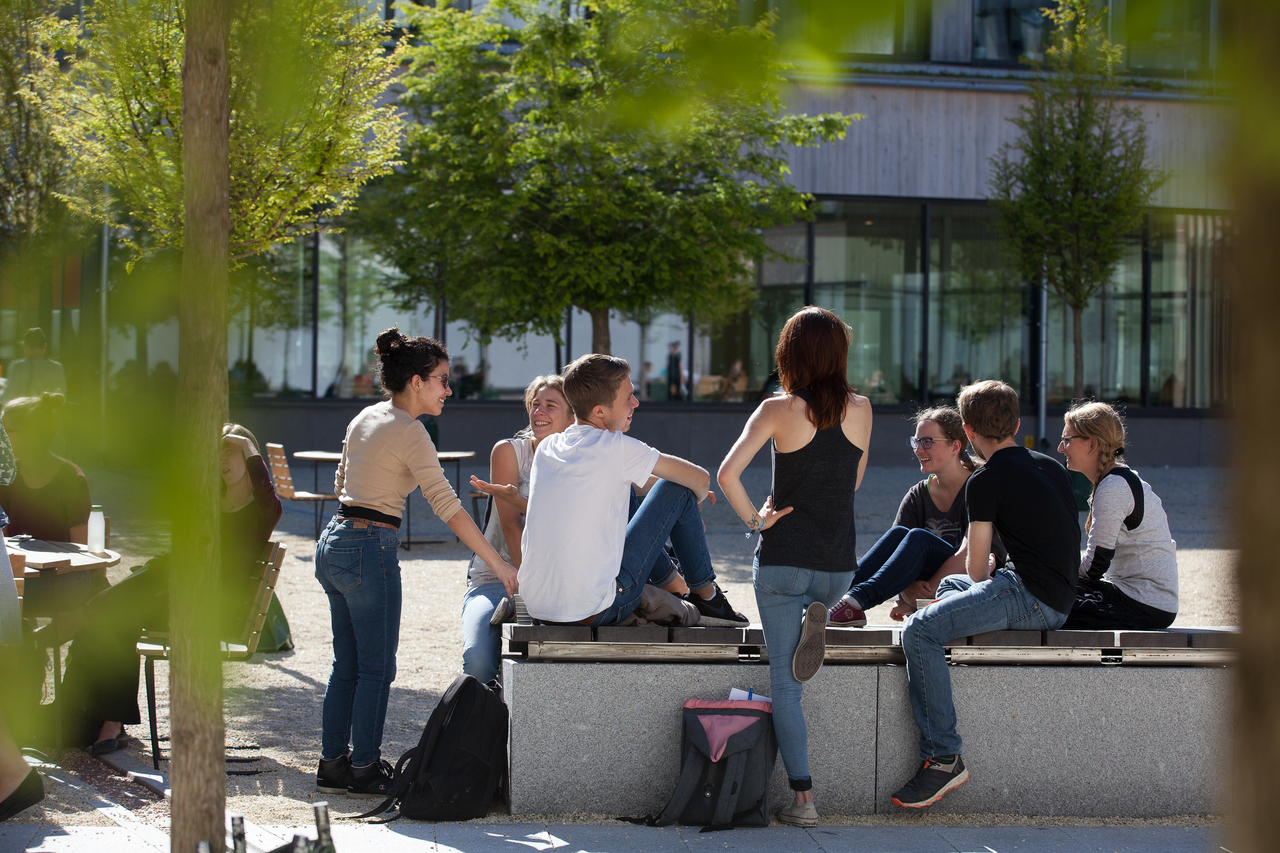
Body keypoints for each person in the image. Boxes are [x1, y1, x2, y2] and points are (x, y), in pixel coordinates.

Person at [314, 328, 518, 799]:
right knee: (376, 668)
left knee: (346, 663)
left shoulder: (367, 416)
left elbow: (344, 479)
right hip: (370, 546)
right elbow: (448, 507)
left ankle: (332, 763)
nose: (449, 389)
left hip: (335, 540)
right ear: (415, 382)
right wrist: (501, 566)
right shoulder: (411, 431)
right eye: (442, 380)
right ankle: (363, 766)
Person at [717, 306, 872, 827]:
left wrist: (756, 521)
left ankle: (803, 800)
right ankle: (820, 611)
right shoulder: (863, 408)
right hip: (838, 565)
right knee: (818, 600)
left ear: (790, 355)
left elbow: (727, 474)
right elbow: (850, 483)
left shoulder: (777, 409)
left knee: (786, 684)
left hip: (784, 559)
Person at [892, 380, 1080, 809]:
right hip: (1057, 594)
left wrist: (986, 580)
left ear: (969, 433)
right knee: (947, 587)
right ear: (1016, 423)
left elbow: (977, 569)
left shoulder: (985, 481)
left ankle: (942, 757)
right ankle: (944, 608)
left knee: (919, 631)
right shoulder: (1050, 466)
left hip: (1030, 596)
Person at [52, 424, 283, 753]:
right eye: (217, 450)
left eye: (231, 450)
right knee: (100, 611)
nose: (223, 458)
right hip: (172, 585)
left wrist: (244, 441)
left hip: (209, 607)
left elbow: (264, 489)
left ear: (249, 456)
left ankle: (102, 724)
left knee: (112, 616)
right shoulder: (208, 500)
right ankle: (86, 721)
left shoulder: (263, 509)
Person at [516, 353, 747, 630]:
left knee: (626, 492)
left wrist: (676, 508)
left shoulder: (547, 448)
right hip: (595, 610)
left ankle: (674, 585)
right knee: (676, 487)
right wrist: (690, 500)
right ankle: (707, 597)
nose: (635, 403)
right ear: (599, 411)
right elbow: (700, 478)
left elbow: (634, 482)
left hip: (539, 607)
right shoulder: (616, 447)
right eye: (628, 398)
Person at [828, 406, 1005, 627]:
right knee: (899, 534)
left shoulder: (979, 487)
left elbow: (970, 556)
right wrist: (908, 590)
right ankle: (834, 601)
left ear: (955, 446)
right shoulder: (918, 494)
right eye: (916, 441)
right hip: (932, 584)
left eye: (928, 442)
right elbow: (897, 555)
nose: (919, 449)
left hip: (977, 582)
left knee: (919, 538)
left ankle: (855, 602)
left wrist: (917, 601)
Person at [462, 375, 574, 683]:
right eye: (535, 405)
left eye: (551, 406)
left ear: (573, 415)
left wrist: (688, 493)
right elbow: (512, 528)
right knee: (478, 664)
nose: (539, 412)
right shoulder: (510, 452)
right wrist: (530, 598)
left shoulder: (581, 461)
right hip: (498, 578)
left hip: (559, 584)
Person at [1059, 402, 1178, 629]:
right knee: (1044, 592)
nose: (1060, 448)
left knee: (1045, 601)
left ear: (1091, 443)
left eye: (1067, 440)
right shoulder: (1115, 480)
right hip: (1138, 598)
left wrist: (1058, 573)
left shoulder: (1114, 487)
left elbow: (1095, 567)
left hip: (1144, 604)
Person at [0, 394, 90, 543]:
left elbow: (81, 548)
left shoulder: (71, 479)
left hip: (63, 565)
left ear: (30, 434)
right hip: (18, 565)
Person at [0, 328, 65, 406]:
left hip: (25, 415)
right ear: (45, 348)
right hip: (50, 416)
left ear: (25, 347)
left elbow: (7, 397)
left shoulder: (18, 367)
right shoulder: (57, 367)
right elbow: (61, 397)